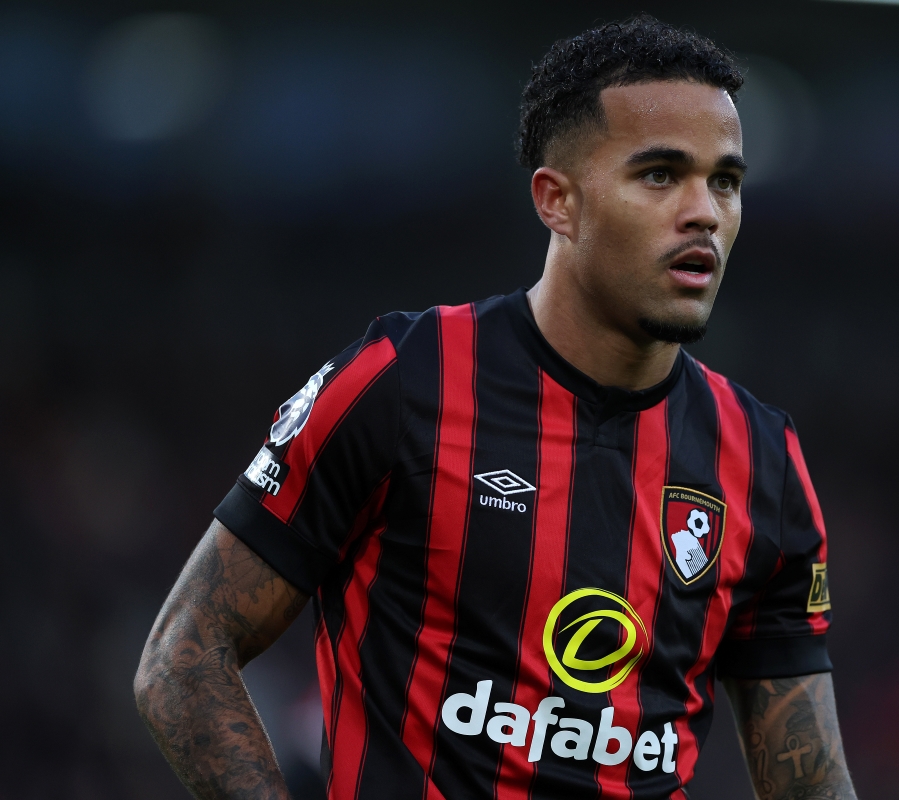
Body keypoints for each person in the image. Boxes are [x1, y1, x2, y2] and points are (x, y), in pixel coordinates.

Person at [134, 14, 857, 800]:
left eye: (724, 181)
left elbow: (811, 786)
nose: (704, 213)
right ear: (558, 201)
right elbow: (183, 656)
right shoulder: (405, 382)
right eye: (659, 175)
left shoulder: (763, 461)